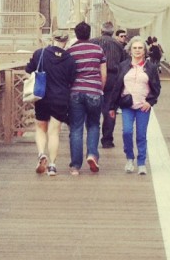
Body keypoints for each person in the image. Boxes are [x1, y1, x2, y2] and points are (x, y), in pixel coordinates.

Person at [24, 33, 75, 176]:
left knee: (40, 128)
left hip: (42, 96)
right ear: (66, 42)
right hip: (60, 98)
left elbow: (28, 72)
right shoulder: (70, 59)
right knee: (54, 132)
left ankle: (41, 154)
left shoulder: (40, 53)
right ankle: (52, 165)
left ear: (53, 40)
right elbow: (71, 80)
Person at [110, 36, 161, 175]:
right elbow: (116, 87)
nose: (137, 50)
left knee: (141, 135)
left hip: (143, 106)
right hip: (127, 105)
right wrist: (112, 107)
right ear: (130, 50)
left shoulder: (151, 67)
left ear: (145, 51)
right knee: (127, 132)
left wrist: (150, 102)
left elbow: (156, 87)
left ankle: (141, 163)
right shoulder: (123, 66)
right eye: (135, 48)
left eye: (140, 48)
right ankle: (129, 158)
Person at [66, 21, 107, 175]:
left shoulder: (70, 51)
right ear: (89, 33)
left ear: (76, 34)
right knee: (94, 125)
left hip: (75, 92)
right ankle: (92, 154)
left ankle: (75, 167)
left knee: (76, 128)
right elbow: (103, 74)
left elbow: (68, 74)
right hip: (94, 91)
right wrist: (99, 89)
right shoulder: (98, 49)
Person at [96, 22, 128, 149]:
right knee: (110, 109)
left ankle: (91, 138)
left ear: (101, 30)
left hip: (95, 78)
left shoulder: (94, 42)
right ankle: (107, 140)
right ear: (113, 32)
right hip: (113, 78)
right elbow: (124, 64)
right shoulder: (119, 45)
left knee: (92, 109)